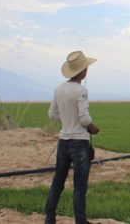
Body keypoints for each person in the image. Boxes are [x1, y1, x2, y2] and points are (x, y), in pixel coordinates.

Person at [45, 50, 100, 224]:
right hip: (79, 144)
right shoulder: (81, 90)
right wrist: (93, 128)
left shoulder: (59, 88)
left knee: (57, 183)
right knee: (79, 187)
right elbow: (84, 118)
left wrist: (68, 120)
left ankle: (49, 218)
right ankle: (81, 221)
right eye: (86, 68)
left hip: (63, 142)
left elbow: (52, 114)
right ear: (82, 71)